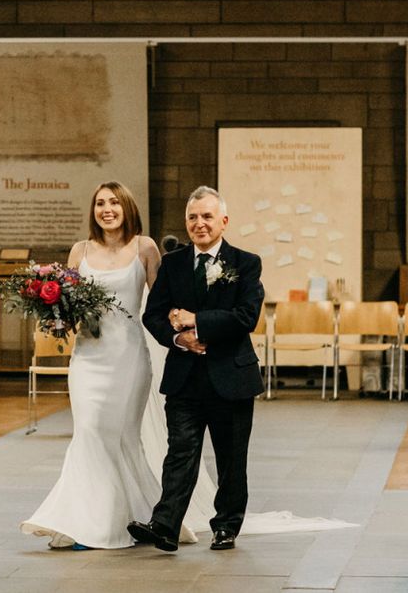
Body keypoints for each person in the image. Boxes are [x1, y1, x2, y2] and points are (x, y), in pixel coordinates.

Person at [20, 180, 164, 549]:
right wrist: (52, 313)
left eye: (114, 202)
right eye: (100, 203)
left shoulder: (144, 247)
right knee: (88, 432)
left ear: (127, 207)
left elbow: (161, 305)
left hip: (129, 357)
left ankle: (135, 515)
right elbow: (66, 308)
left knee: (121, 437)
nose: (107, 209)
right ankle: (87, 521)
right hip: (88, 356)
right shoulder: (79, 250)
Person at [129, 185, 265, 552]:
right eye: (192, 217)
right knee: (180, 453)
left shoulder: (245, 262)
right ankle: (165, 526)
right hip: (184, 376)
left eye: (207, 216)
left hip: (231, 376)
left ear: (224, 220)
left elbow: (246, 317)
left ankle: (226, 526)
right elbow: (153, 315)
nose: (199, 224)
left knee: (231, 459)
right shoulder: (172, 263)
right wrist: (179, 339)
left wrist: (197, 320)